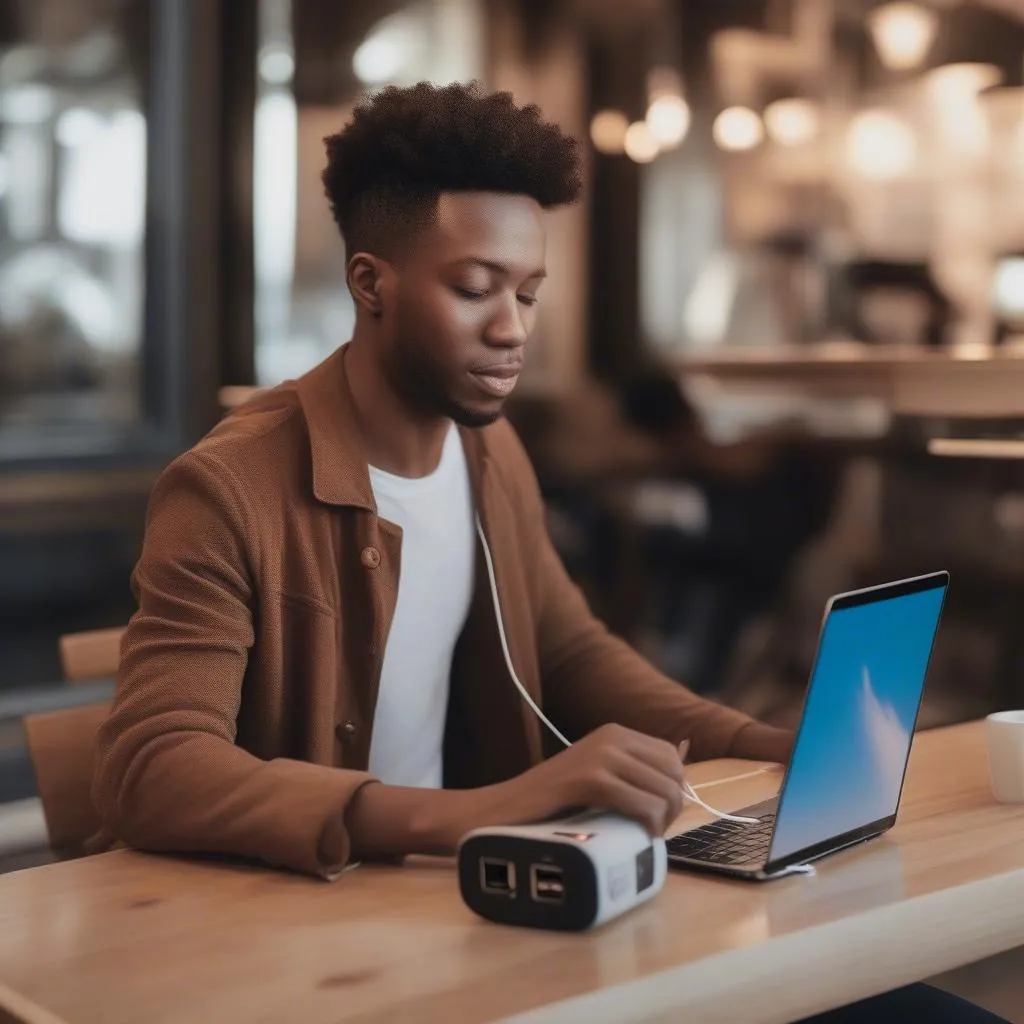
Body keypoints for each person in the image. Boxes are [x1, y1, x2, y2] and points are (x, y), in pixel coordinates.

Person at [91, 82, 1004, 1024]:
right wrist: (492, 809)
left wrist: (762, 742)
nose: (513, 329)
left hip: (483, 917)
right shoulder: (227, 487)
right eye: (474, 288)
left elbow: (568, 650)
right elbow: (152, 768)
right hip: (317, 952)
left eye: (528, 293)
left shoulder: (487, 449)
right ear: (371, 284)